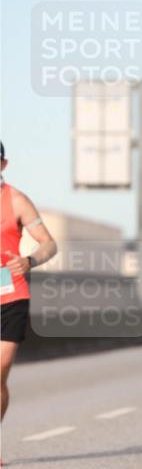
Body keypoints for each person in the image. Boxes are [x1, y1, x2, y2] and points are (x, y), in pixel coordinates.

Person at [0, 141, 57, 432]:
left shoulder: (17, 201)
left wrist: (29, 261)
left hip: (11, 294)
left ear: (3, 164)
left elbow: (49, 243)